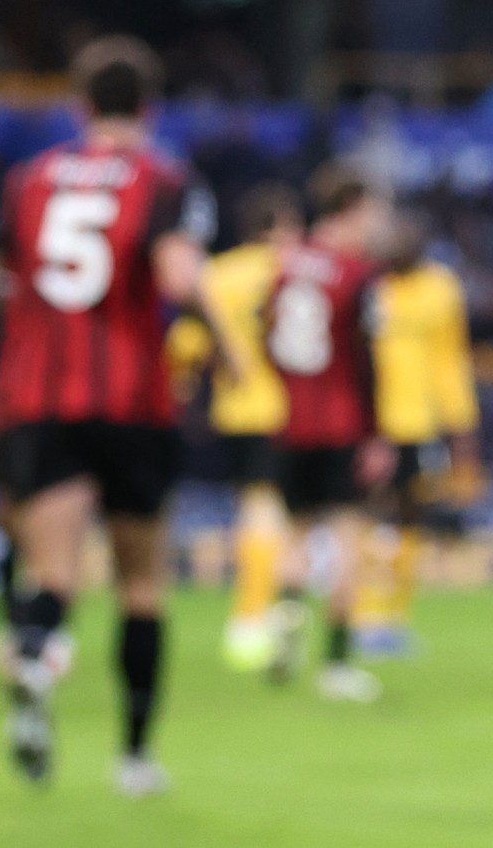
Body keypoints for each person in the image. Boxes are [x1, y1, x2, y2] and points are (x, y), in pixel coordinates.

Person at [0, 37, 226, 796]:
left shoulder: (25, 182)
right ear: (151, 108)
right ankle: (134, 757)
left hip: (36, 398)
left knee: (53, 571)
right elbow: (176, 273)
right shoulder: (165, 180)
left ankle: (34, 656)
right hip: (133, 399)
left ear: (79, 106)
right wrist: (227, 346)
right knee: (141, 584)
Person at [260, 163, 393, 702]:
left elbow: (266, 334)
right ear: (354, 208)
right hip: (341, 423)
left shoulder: (288, 266)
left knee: (293, 535)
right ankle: (336, 663)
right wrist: (376, 432)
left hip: (292, 420)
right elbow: (365, 359)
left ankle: (286, 618)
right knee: (347, 541)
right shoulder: (356, 275)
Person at [357, 213, 478, 660]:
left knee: (411, 517)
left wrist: (461, 427)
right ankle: (363, 613)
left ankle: (391, 617)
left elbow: (452, 360)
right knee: (369, 517)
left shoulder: (441, 290)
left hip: (422, 423)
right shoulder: (367, 286)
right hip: (371, 424)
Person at [192, 183, 298, 671]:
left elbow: (187, 346)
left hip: (236, 408)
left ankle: (264, 608)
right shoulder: (294, 272)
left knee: (255, 507)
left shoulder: (217, 274)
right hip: (292, 408)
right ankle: (257, 614)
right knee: (275, 512)